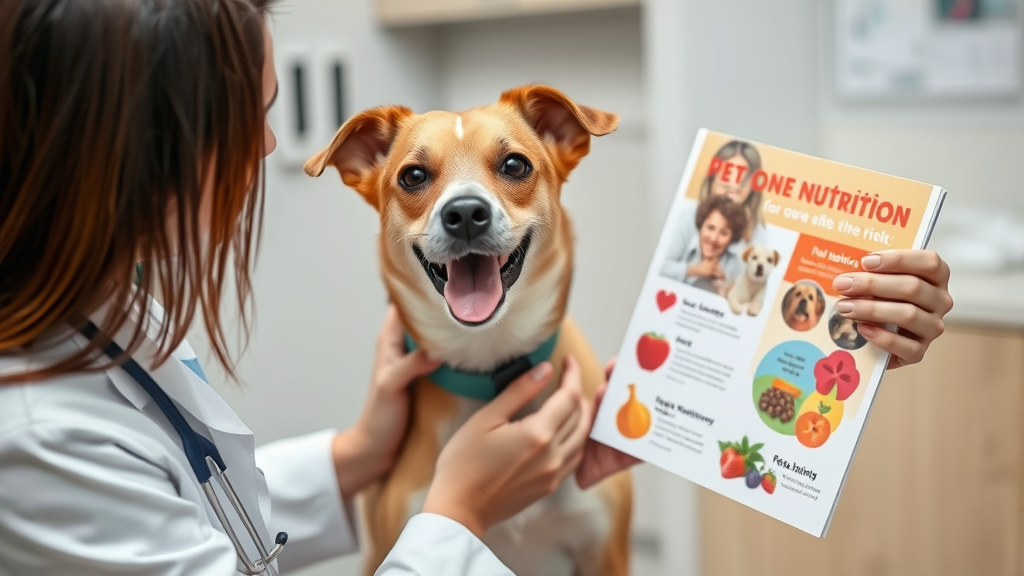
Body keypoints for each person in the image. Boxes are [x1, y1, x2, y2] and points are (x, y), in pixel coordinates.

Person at [0, 0, 954, 574]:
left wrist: (850, 307)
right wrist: (451, 512)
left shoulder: (115, 315)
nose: (267, 147)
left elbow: (206, 523)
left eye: (509, 170)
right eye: (250, 118)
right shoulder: (35, 433)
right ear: (140, 149)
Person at [661, 140, 767, 285]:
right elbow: (661, 267)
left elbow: (749, 289)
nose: (733, 186)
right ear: (713, 178)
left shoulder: (757, 233)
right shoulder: (688, 216)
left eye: (743, 179)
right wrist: (695, 269)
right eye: (728, 175)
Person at [662, 195, 748, 296]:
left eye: (724, 233)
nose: (714, 238)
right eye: (710, 228)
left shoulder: (736, 265)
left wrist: (722, 285)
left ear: (732, 238)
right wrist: (694, 270)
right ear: (701, 224)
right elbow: (660, 268)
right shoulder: (684, 230)